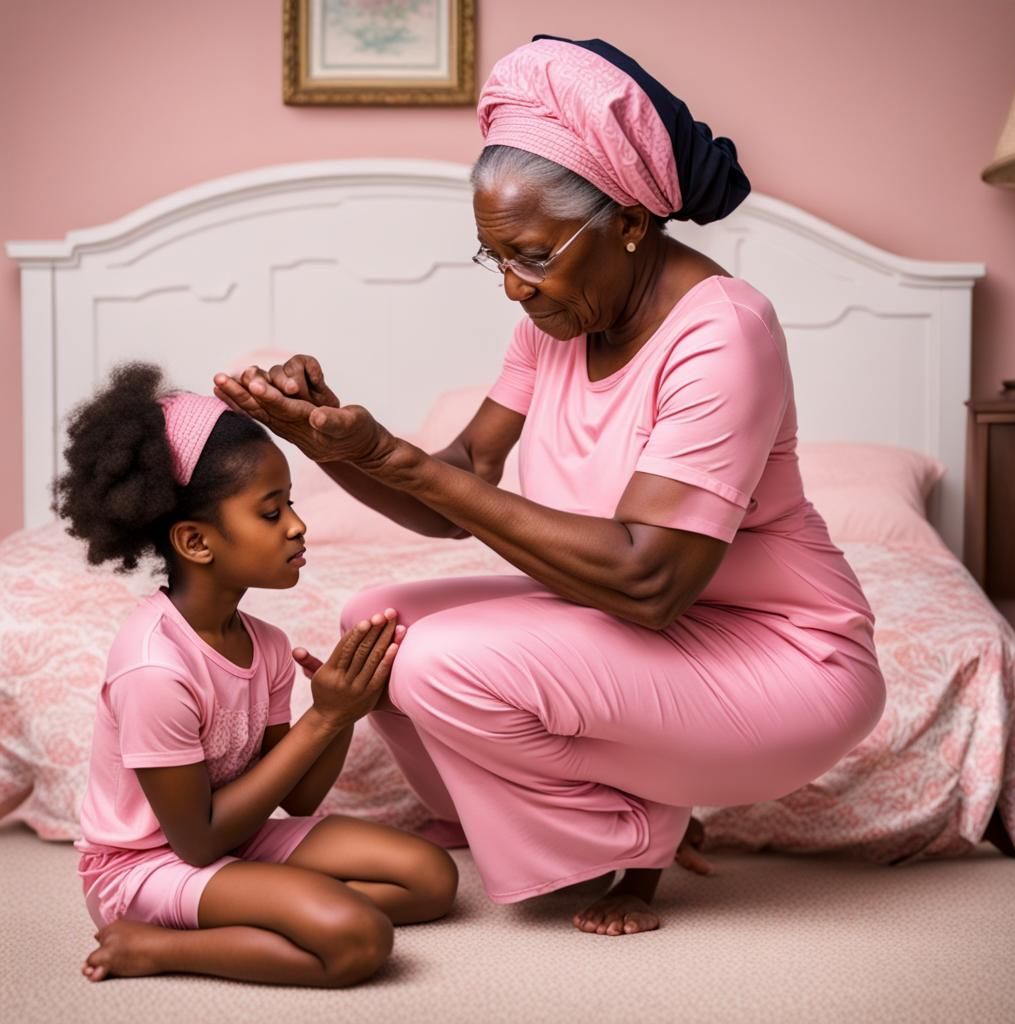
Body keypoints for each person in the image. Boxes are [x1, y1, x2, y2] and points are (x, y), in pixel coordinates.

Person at [214, 35, 886, 937]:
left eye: (531, 255)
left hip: (786, 659)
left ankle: (631, 831)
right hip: (644, 628)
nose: (514, 289)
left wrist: (394, 455)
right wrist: (336, 443)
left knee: (437, 661)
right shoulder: (564, 315)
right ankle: (565, 818)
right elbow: (465, 480)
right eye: (497, 260)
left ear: (632, 223)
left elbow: (651, 583)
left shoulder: (724, 331)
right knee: (374, 621)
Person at [55, 363, 457, 986]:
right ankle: (154, 947)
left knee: (432, 879)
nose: (297, 525)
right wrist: (321, 718)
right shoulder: (154, 667)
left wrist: (343, 712)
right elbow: (195, 843)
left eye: (290, 503)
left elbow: (296, 799)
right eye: (271, 512)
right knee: (357, 938)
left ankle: (270, 908)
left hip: (231, 839)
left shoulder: (264, 644)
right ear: (195, 541)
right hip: (146, 868)